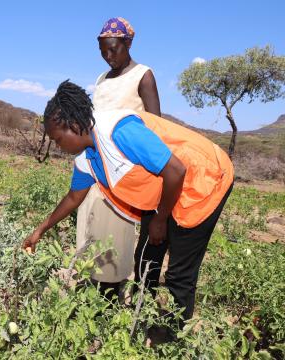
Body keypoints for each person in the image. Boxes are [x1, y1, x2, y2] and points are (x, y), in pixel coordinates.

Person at [22, 81, 234, 324]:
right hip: (164, 192)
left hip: (203, 180)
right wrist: (40, 230)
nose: (58, 147)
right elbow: (73, 197)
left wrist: (160, 220)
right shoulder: (87, 157)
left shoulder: (119, 131)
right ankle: (143, 319)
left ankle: (174, 338)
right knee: (146, 259)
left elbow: (176, 170)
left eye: (58, 139)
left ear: (73, 125)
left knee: (179, 273)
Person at [76, 17, 161, 297]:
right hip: (95, 167)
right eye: (103, 52)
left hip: (121, 172)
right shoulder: (102, 78)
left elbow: (154, 126)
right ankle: (90, 293)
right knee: (90, 230)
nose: (109, 57)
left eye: (114, 50)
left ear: (128, 43)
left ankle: (108, 298)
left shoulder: (143, 75)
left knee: (112, 239)